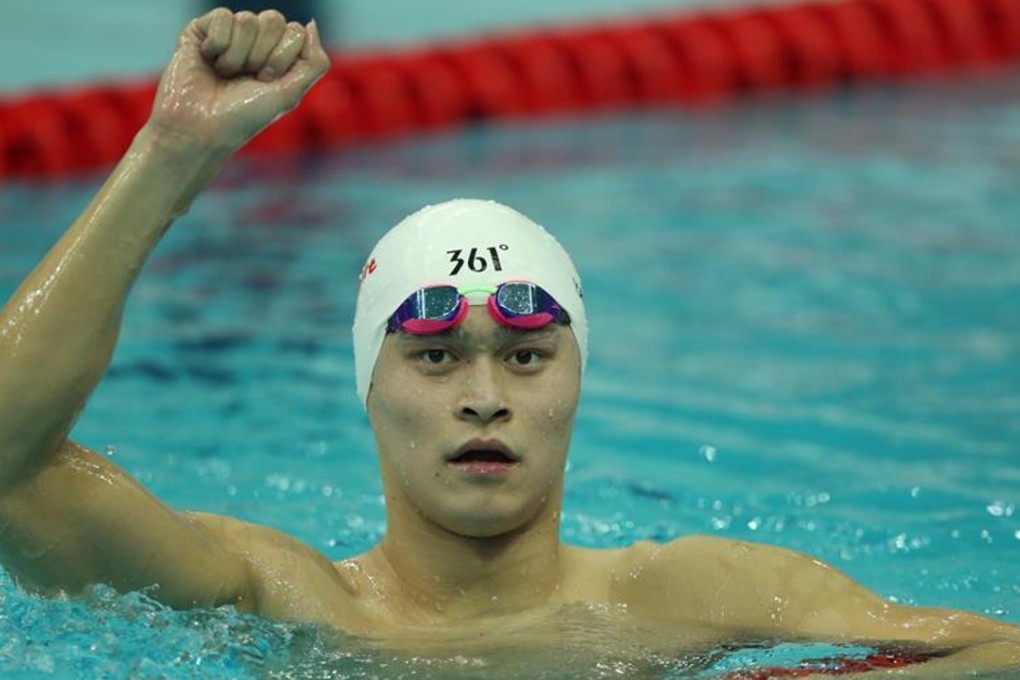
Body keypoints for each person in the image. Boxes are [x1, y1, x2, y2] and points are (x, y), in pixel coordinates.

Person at [0, 7, 1017, 675]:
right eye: (435, 355)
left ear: (577, 380)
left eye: (526, 354)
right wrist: (172, 151)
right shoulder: (283, 600)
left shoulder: (697, 593)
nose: (483, 393)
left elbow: (992, 646)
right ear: (368, 384)